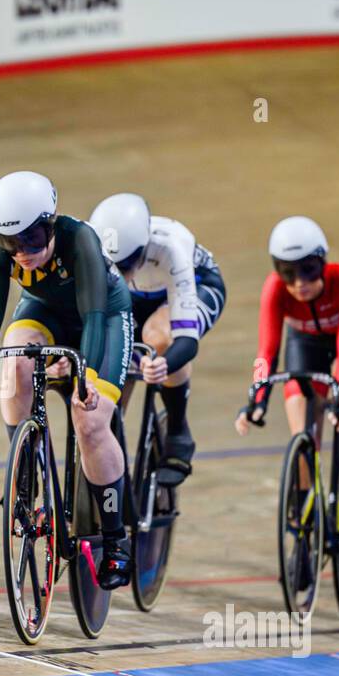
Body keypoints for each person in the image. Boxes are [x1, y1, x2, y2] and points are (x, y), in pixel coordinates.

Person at [0, 171, 136, 589]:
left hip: (104, 320)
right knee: (14, 361)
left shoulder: (81, 240)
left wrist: (85, 377)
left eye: (32, 240)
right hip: (46, 313)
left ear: (51, 222)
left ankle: (116, 540)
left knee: (89, 419)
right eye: (10, 244)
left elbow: (93, 316)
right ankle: (25, 474)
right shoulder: (2, 251)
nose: (21, 253)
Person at [235, 216, 339, 501]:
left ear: (322, 263)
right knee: (300, 419)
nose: (299, 283)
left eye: (308, 270)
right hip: (307, 340)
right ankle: (306, 507)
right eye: (288, 272)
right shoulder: (274, 289)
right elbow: (266, 352)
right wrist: (257, 401)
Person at [88, 193, 226, 484]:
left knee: (158, 338)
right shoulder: (90, 242)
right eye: (110, 266)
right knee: (107, 382)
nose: (119, 274)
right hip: (136, 297)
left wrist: (163, 363)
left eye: (125, 265)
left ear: (142, 248)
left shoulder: (171, 247)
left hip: (194, 287)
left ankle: (178, 430)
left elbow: (185, 340)